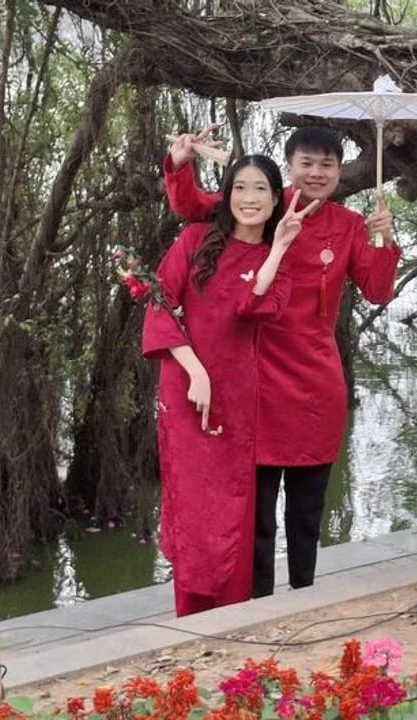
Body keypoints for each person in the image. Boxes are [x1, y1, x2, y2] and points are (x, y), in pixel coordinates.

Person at [164, 125, 402, 599]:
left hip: (316, 382)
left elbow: (377, 291)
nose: (316, 173)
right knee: (255, 512)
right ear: (289, 166)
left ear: (338, 171)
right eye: (306, 163)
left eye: (326, 165)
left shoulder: (349, 225)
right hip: (253, 379)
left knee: (306, 511)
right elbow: (193, 208)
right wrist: (180, 163)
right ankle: (256, 604)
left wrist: (384, 240)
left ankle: (304, 597)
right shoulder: (265, 205)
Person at [142, 154, 316, 616]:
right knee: (194, 504)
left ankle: (232, 615)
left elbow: (251, 308)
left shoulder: (280, 264)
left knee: (231, 507)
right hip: (186, 392)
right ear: (227, 193)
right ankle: (190, 612)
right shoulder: (195, 240)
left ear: (277, 198)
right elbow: (159, 305)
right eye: (240, 187)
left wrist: (277, 248)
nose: (250, 198)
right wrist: (195, 371)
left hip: (237, 398)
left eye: (261, 189)